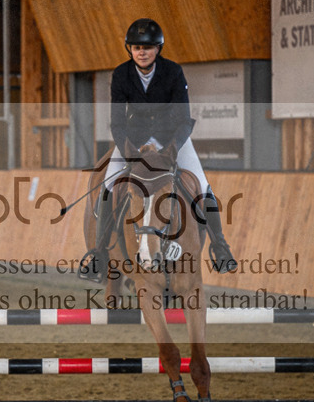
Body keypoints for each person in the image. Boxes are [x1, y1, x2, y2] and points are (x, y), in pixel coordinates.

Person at [79, 18, 238, 282]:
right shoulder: (121, 74)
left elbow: (184, 119)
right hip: (133, 141)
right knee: (108, 184)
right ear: (129, 49)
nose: (142, 52)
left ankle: (220, 247)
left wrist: (170, 148)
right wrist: (130, 151)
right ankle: (99, 255)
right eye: (137, 47)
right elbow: (117, 123)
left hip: (171, 139)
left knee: (203, 185)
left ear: (157, 50)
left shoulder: (173, 72)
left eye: (148, 47)